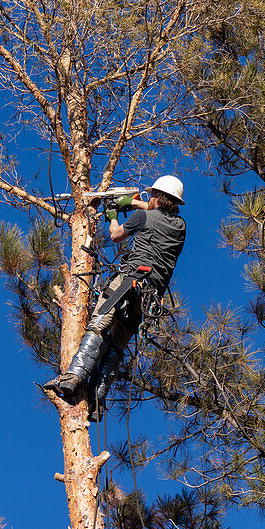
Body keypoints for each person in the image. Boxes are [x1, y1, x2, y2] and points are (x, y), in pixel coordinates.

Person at [45, 176, 186, 421]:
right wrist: (134, 203)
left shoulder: (143, 217)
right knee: (118, 344)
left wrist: (111, 213)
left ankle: (72, 377)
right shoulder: (180, 226)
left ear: (157, 197)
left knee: (99, 325)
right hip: (148, 300)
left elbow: (116, 235)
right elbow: (156, 212)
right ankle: (97, 399)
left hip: (127, 283)